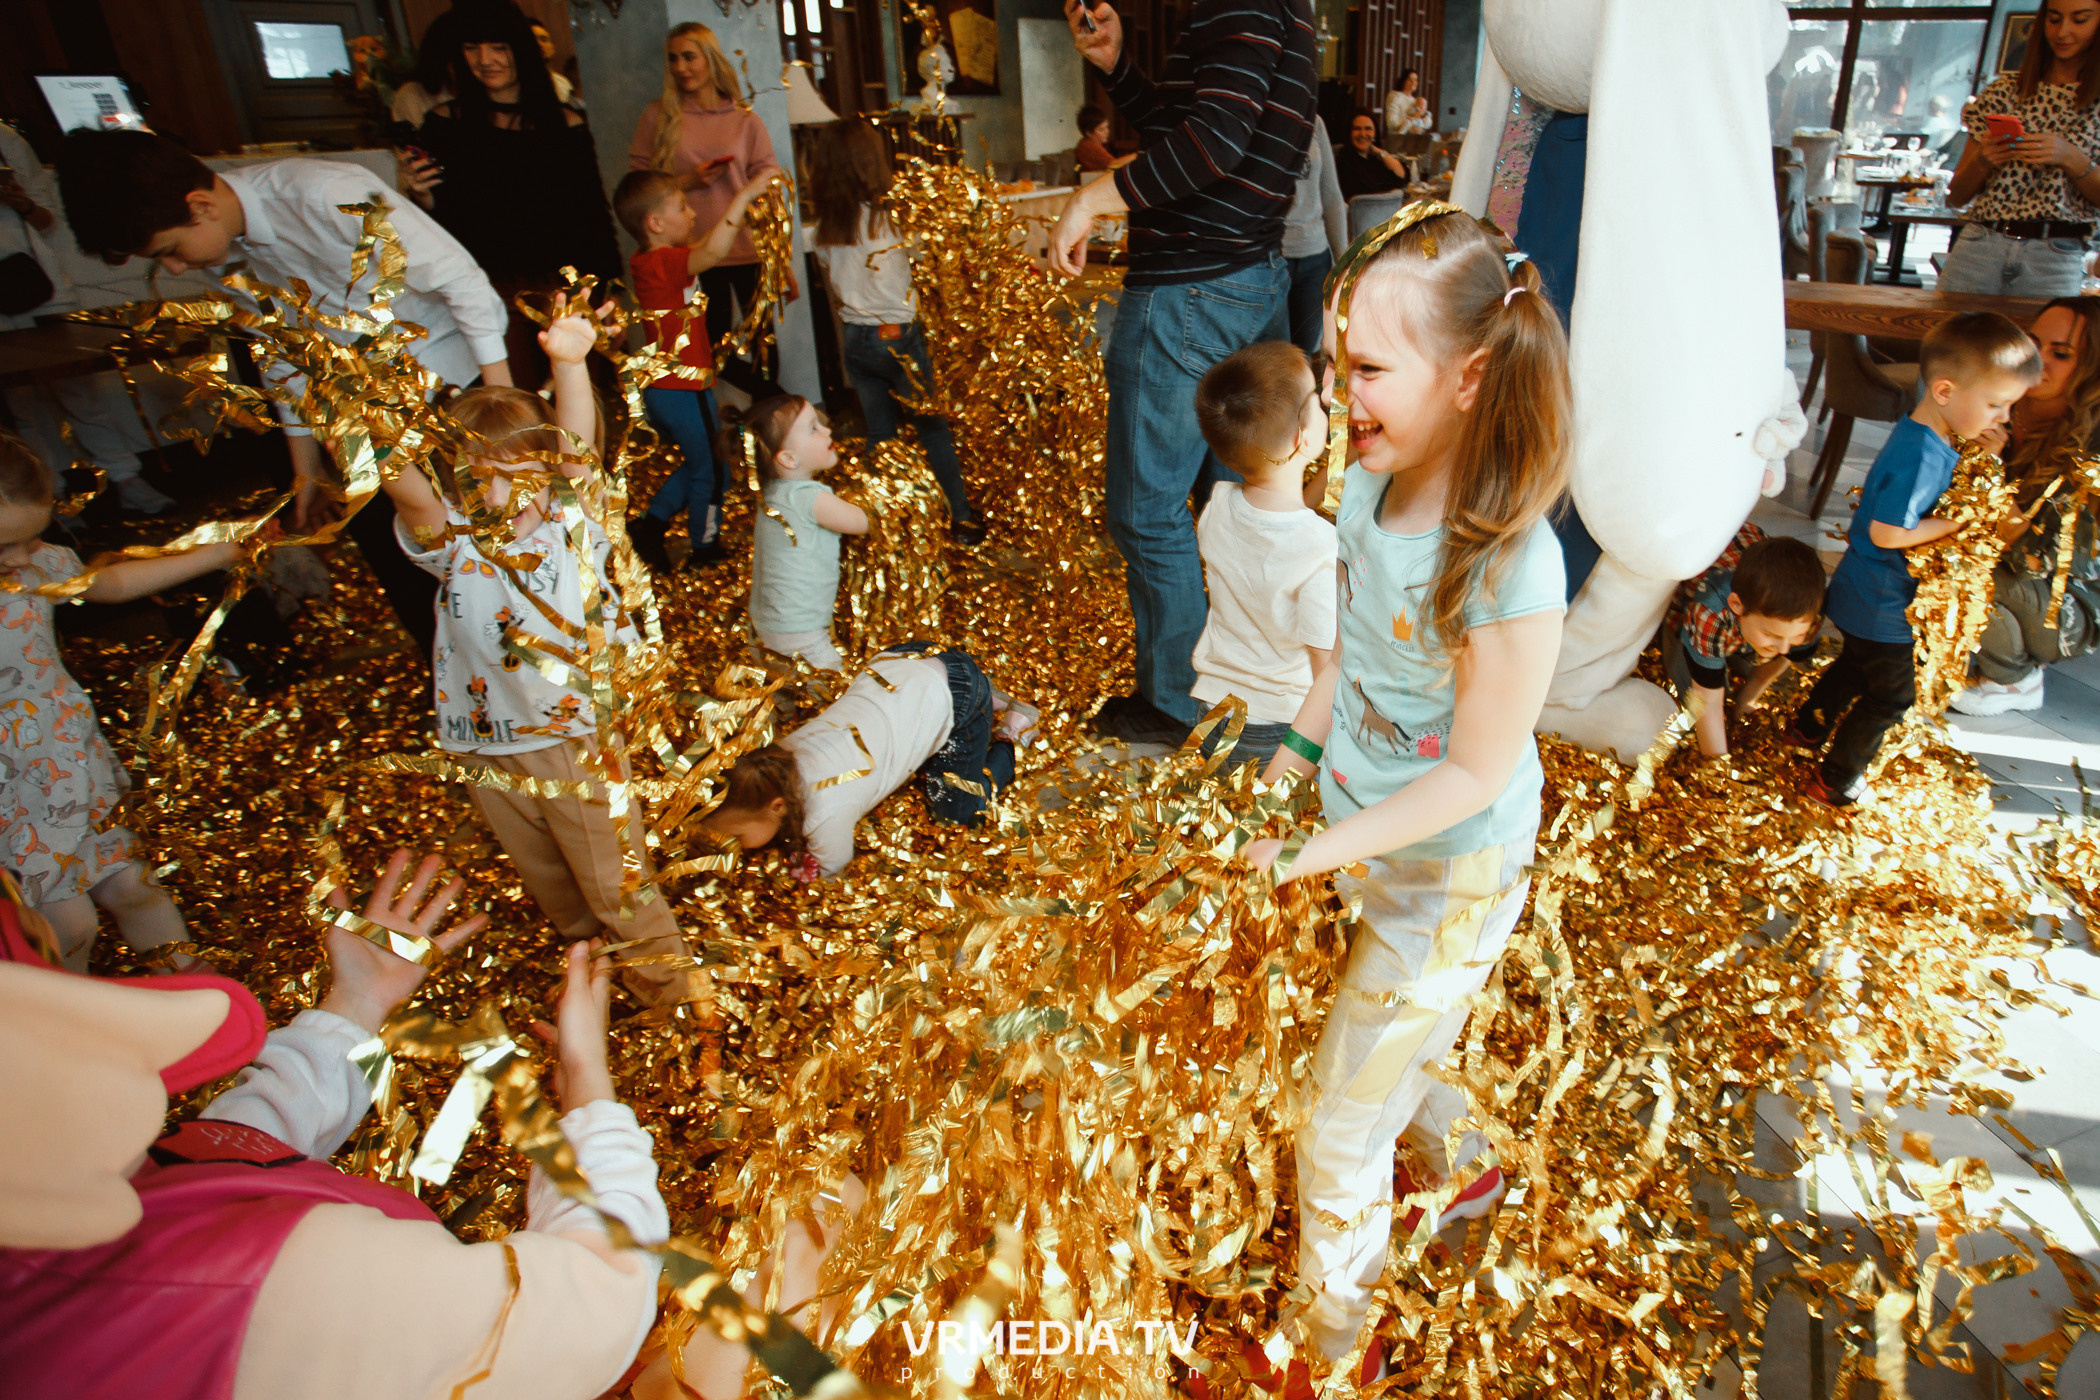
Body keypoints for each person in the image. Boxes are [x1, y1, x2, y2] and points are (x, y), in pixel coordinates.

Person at [1246, 207, 1570, 1379]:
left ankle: (1335, 1346)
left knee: (1338, 1124)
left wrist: (1301, 859)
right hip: (1368, 842)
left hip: (1450, 879)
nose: (1346, 394)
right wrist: (1289, 770)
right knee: (1402, 1045)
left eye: (1372, 370)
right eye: (1342, 365)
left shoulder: (1509, 564)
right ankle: (1465, 1165)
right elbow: (1347, 665)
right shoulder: (1362, 494)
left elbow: (1474, 771)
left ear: (1470, 378)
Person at [0, 851, 676, 1400]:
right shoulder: (288, 1285)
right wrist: (587, 1081)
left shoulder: (58, 1201)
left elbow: (219, 1164)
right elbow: (600, 1295)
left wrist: (355, 1002)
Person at [56, 128, 514, 660]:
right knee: (397, 551)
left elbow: (462, 282)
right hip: (355, 414)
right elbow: (282, 351)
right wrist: (306, 470)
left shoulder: (325, 192)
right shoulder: (226, 251)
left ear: (201, 206)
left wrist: (501, 410)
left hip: (449, 383)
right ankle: (460, 675)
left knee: (492, 537)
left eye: (171, 251)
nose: (175, 269)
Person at [381, 307, 693, 1004]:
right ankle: (593, 970)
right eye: (481, 479)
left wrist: (570, 365)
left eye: (524, 473)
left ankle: (674, 997)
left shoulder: (569, 523)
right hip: (484, 745)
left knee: (616, 881)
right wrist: (368, 421)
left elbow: (578, 447)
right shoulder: (454, 543)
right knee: (549, 878)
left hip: (573, 741)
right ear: (456, 486)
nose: (505, 494)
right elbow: (405, 490)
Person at [1049, 0, 1318, 746]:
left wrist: (1091, 198)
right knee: (1240, 501)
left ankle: (1178, 703)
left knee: (1148, 511)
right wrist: (1119, 70)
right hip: (1245, 275)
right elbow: (1199, 127)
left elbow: (1213, 143)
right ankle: (1246, 683)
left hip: (1191, 287)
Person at [0, 429, 250, 969]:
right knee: (69, 927)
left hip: (69, 763)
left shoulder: (37, 564)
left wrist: (219, 553)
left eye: (33, 538)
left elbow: (109, 584)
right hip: (10, 794)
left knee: (137, 888)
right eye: (2, 547)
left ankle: (201, 1001)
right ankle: (73, 1016)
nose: (20, 559)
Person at [1794, 312, 2042, 807]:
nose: (2004, 417)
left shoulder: (1930, 435)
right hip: (1882, 602)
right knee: (1891, 696)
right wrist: (1954, 525)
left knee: (1856, 664)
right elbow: (1887, 532)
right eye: (1996, 404)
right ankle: (1835, 780)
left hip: (1865, 591)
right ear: (1945, 391)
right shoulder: (1921, 456)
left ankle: (1807, 727)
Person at [400, 0, 621, 389]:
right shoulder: (444, 124)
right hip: (488, 290)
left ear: (520, 49)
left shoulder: (564, 123)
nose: (485, 60)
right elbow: (445, 225)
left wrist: (610, 293)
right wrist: (421, 197)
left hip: (563, 289)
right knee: (516, 403)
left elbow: (591, 218)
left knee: (581, 398)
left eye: (498, 47)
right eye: (472, 48)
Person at [700, 644, 1036, 880]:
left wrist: (807, 872)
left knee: (958, 814)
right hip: (902, 659)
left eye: (737, 837)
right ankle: (976, 687)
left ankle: (1011, 734)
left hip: (956, 695)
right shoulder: (777, 756)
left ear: (777, 806)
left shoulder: (822, 815)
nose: (733, 848)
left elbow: (834, 864)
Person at [805, 119, 985, 544]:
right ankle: (961, 518)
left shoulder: (824, 230)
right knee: (932, 429)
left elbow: (834, 287)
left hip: (856, 339)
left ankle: (880, 523)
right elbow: (932, 260)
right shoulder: (896, 221)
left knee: (880, 434)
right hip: (900, 337)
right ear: (873, 163)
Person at [0, 120, 174, 515]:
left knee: (81, 391)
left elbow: (48, 221)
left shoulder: (6, 139)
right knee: (20, 405)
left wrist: (19, 203)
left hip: (36, 283)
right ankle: (48, 500)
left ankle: (126, 478)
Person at [612, 168, 776, 573]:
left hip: (672, 387)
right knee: (712, 472)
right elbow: (712, 252)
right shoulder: (665, 261)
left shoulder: (651, 260)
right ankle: (705, 550)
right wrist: (744, 196)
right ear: (655, 224)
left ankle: (650, 526)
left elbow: (703, 246)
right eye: (682, 207)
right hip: (682, 387)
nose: (693, 214)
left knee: (705, 464)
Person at [1185, 342, 1336, 772]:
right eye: (1317, 400)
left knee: (1216, 811)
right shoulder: (1321, 549)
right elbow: (1326, 669)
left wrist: (1327, 474)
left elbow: (1279, 527)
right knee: (1270, 817)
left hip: (1212, 711)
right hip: (1280, 726)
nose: (1326, 402)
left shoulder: (1218, 505)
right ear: (1303, 438)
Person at [629, 21, 797, 404]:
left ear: (710, 59)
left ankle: (770, 420)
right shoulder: (658, 116)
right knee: (711, 348)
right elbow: (637, 187)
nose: (681, 67)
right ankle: (783, 406)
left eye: (689, 57)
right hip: (693, 252)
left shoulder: (744, 119)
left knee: (763, 343)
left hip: (750, 248)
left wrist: (780, 259)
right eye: (673, 59)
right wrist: (686, 181)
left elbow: (770, 188)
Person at [1954, 296, 2100, 715]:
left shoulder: (2092, 452)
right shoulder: (1999, 403)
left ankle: (2013, 678)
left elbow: (2035, 560)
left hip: (2064, 607)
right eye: (2031, 344)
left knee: (1963, 563)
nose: (2037, 361)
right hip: (2012, 575)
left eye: (2061, 354)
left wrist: (1990, 475)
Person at [1942, 0, 2100, 297]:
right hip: (1981, 241)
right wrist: (1983, 161)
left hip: (2055, 254)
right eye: (2054, 19)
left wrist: (2071, 157)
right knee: (1954, 328)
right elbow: (1956, 197)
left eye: (2080, 20)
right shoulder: (2003, 91)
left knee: (2045, 331)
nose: (2063, 31)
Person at [1658, 524, 1826, 759]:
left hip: (1744, 620)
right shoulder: (1710, 611)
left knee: (1766, 655)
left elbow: (1786, 652)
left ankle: (1746, 654)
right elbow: (1707, 700)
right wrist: (1718, 767)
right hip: (1688, 611)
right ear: (1736, 605)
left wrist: (1751, 691)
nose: (1784, 646)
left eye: (1796, 636)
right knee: (1697, 695)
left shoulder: (1807, 613)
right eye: (1772, 635)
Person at [733, 395, 867, 672]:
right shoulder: (809, 498)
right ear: (789, 459)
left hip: (763, 630)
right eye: (813, 428)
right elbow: (862, 522)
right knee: (837, 693)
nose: (827, 430)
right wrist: (879, 501)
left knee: (786, 689)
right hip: (802, 639)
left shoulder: (771, 495)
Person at [1282, 117, 1346, 357]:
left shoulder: (1314, 121)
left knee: (1306, 354)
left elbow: (1331, 196)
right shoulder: (1256, 112)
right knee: (1274, 357)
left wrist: (1344, 260)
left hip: (1315, 258)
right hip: (1271, 258)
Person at [1334, 109, 1409, 202]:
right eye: (1357, 129)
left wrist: (1381, 153)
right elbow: (1369, 189)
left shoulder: (1375, 159)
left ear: (1375, 133)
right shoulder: (1343, 160)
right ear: (1349, 133)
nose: (1362, 134)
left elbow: (1402, 176)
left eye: (1368, 129)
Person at [1074, 104, 1133, 172]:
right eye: (1101, 129)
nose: (1107, 131)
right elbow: (1113, 164)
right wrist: (1136, 156)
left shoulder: (1088, 144)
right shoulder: (1088, 146)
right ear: (1089, 133)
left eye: (1107, 127)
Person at [1384, 68, 1432, 139]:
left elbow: (1426, 123)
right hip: (1397, 138)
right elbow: (1392, 123)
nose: (1413, 82)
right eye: (1410, 80)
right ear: (1403, 81)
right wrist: (1408, 127)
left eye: (1415, 80)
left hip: (1413, 139)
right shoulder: (1395, 96)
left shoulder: (1416, 101)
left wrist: (1422, 122)